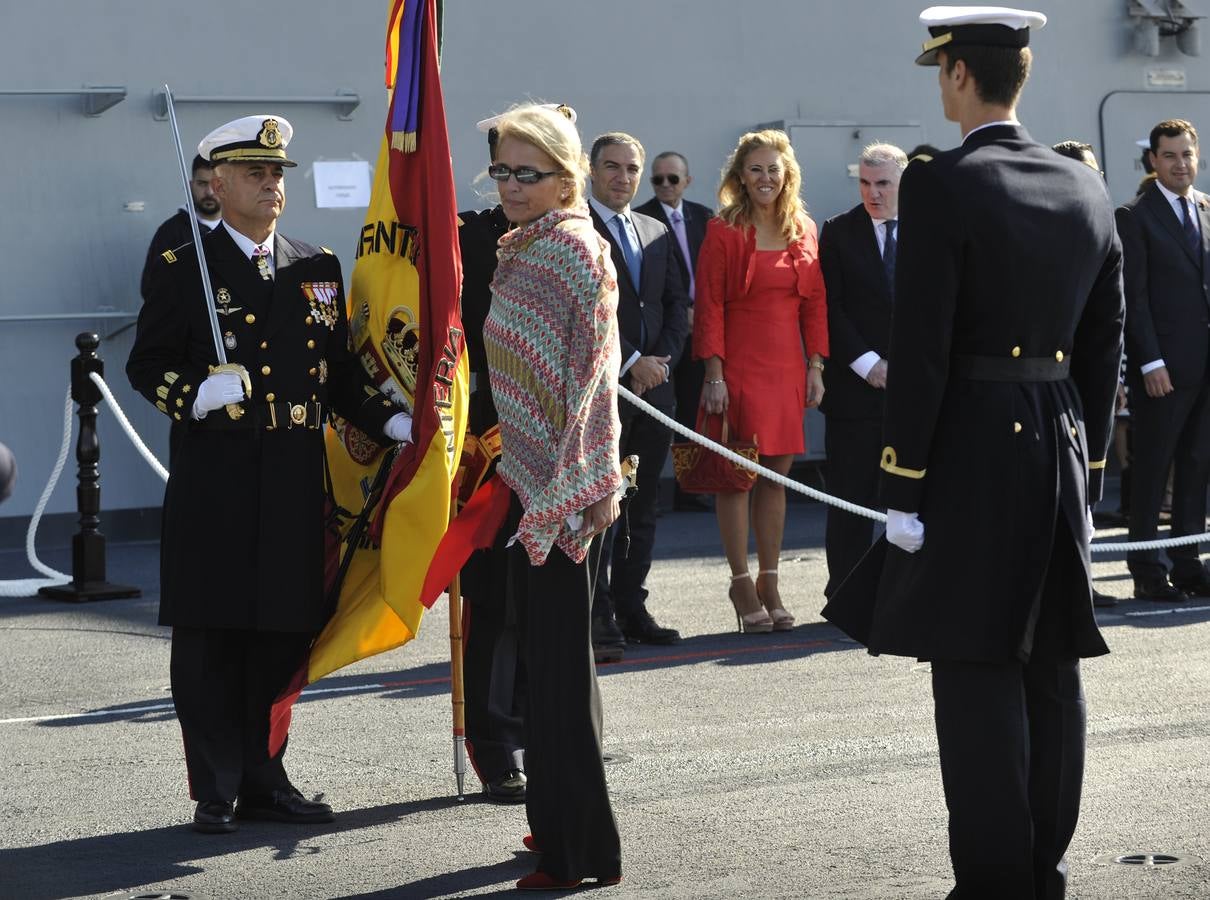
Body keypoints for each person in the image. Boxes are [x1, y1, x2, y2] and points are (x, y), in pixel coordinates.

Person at [823, 8, 1124, 897]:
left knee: (974, 663)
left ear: (958, 74)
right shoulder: (1083, 184)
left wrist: (902, 482)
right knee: (1052, 659)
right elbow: (1105, 337)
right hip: (1060, 438)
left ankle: (995, 880)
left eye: (939, 69)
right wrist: (1093, 465)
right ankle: (1043, 866)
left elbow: (922, 346)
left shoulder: (943, 183)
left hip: (971, 445)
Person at [127, 115, 412, 835]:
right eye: (255, 173)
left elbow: (340, 375)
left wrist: (392, 422)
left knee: (281, 634)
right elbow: (146, 362)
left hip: (291, 478)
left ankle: (264, 777)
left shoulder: (315, 264)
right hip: (216, 478)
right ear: (217, 184)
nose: (271, 185)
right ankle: (215, 787)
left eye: (278, 172)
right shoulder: (181, 259)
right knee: (212, 637)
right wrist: (194, 393)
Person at [481, 103, 623, 890]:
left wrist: (580, 484)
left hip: (566, 493)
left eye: (525, 173)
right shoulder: (523, 247)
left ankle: (581, 855)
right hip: (528, 480)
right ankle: (562, 828)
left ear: (566, 178)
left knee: (561, 679)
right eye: (501, 169)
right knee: (550, 671)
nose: (509, 185)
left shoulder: (572, 251)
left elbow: (596, 375)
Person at [694, 129, 828, 633]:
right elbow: (708, 303)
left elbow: (815, 303)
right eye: (756, 169)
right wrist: (714, 372)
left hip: (787, 366)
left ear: (787, 174)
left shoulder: (804, 228)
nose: (766, 178)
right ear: (740, 177)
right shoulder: (723, 230)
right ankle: (740, 580)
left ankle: (771, 580)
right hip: (738, 366)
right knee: (737, 478)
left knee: (777, 477)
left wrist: (816, 366)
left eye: (774, 169)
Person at [587, 132, 689, 657]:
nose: (622, 178)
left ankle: (632, 606)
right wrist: (631, 362)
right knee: (602, 505)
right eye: (612, 167)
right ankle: (597, 613)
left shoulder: (653, 228)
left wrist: (660, 362)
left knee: (643, 503)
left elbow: (675, 305)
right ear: (591, 169)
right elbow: (584, 309)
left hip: (655, 390)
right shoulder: (577, 229)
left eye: (631, 169)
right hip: (604, 391)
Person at [1117, 118, 1210, 602]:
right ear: (1153, 161)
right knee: (1153, 469)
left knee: (1197, 466)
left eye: (1187, 155)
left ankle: (1188, 563)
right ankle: (1148, 569)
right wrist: (1149, 363)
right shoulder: (1134, 216)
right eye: (1170, 156)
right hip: (1165, 371)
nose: (1181, 164)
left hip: (1205, 368)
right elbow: (1135, 298)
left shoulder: (1206, 209)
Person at [819, 142, 906, 599]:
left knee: (910, 499)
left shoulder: (929, 231)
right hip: (856, 391)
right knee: (850, 499)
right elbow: (829, 308)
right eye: (866, 184)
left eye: (883, 183)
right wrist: (868, 365)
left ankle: (904, 591)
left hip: (914, 390)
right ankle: (847, 593)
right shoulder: (837, 231)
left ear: (901, 182)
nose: (873, 193)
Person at [1050, 140, 1121, 610]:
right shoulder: (1046, 234)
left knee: (1088, 484)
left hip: (1095, 371)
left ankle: (1080, 581)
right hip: (1052, 381)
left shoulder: (1105, 227)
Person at [634, 152, 715, 513]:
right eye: (658, 179)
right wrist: (682, 314)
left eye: (673, 179)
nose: (665, 185)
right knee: (656, 414)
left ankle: (689, 487)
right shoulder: (643, 218)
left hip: (701, 330)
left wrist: (704, 313)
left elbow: (714, 270)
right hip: (664, 334)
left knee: (692, 412)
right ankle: (644, 491)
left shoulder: (704, 217)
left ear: (687, 180)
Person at [140, 154, 221, 301]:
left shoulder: (239, 230)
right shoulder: (170, 232)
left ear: (224, 186)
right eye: (202, 183)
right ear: (191, 185)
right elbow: (151, 288)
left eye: (215, 184)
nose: (209, 192)